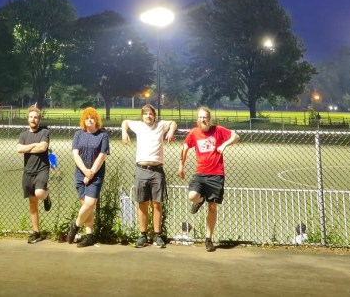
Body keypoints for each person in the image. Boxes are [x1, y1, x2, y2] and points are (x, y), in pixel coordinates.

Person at [178, 105, 238, 253]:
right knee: (192, 196)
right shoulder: (194, 132)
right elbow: (185, 147)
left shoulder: (218, 130)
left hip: (216, 174)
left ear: (209, 119)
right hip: (200, 173)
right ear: (197, 119)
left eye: (205, 117)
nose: (203, 120)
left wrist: (224, 145)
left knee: (212, 207)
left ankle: (208, 239)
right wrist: (181, 165)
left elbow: (236, 136)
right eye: (200, 117)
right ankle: (200, 200)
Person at [120, 104, 177, 248]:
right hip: (141, 169)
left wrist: (171, 131)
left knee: (157, 204)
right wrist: (124, 132)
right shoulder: (139, 126)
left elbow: (173, 123)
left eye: (151, 114)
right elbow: (125, 122)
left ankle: (157, 235)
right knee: (142, 203)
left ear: (154, 116)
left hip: (157, 171)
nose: (148, 116)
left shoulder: (160, 125)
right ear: (142, 116)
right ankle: (142, 235)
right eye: (145, 114)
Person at [66, 107, 109, 247]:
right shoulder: (78, 134)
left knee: (90, 203)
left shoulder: (103, 136)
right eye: (87, 118)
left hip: (96, 175)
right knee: (87, 206)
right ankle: (89, 235)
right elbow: (75, 154)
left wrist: (91, 173)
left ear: (96, 120)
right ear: (83, 121)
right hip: (80, 173)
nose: (89, 120)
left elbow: (102, 156)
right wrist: (85, 171)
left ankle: (75, 225)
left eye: (92, 118)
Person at [17, 105, 52, 243]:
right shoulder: (23, 135)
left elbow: (43, 147)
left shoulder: (45, 132)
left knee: (39, 193)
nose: (33, 119)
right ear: (28, 119)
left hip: (42, 169)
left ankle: (46, 196)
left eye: (36, 117)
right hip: (28, 172)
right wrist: (33, 146)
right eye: (31, 117)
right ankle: (36, 232)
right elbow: (19, 149)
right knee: (32, 202)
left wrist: (27, 148)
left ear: (39, 119)